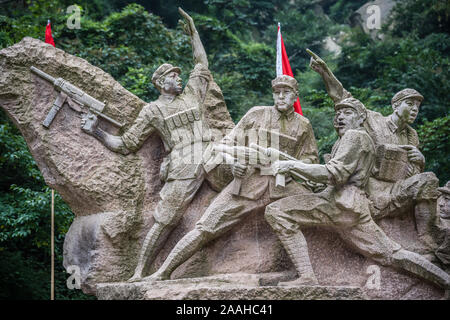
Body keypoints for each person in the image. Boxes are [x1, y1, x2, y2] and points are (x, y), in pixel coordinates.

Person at [81, 8, 228, 282]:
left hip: (213, 154)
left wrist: (195, 34)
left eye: (177, 74)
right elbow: (126, 143)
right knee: (164, 221)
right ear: (161, 82)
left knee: (247, 176)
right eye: (172, 75)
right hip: (183, 164)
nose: (178, 77)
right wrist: (96, 131)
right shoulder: (152, 111)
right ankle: (140, 272)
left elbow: (202, 65)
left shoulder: (193, 94)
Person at [144, 75, 319, 281]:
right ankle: (162, 272)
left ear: (295, 96)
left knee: (321, 209)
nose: (280, 97)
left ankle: (309, 276)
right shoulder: (256, 114)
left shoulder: (303, 125)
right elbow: (226, 145)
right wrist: (233, 164)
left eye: (286, 92)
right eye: (277, 92)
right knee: (205, 227)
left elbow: (310, 159)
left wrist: (291, 168)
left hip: (283, 185)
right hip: (248, 184)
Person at [264, 97, 450, 290]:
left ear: (362, 117)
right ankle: (445, 281)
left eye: (347, 112)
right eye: (338, 113)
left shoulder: (355, 136)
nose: (340, 117)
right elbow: (335, 174)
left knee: (276, 212)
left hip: (338, 204)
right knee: (393, 254)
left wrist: (291, 166)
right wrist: (300, 171)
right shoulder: (350, 139)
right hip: (354, 209)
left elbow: (334, 173)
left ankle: (307, 276)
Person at [308, 50, 439, 247]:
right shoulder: (373, 120)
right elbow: (343, 98)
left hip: (397, 189)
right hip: (371, 189)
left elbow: (414, 175)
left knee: (429, 179)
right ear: (395, 105)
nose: (414, 110)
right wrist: (325, 71)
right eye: (409, 104)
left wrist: (419, 160)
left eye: (417, 107)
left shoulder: (412, 136)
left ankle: (426, 236)